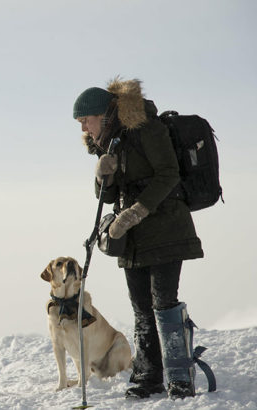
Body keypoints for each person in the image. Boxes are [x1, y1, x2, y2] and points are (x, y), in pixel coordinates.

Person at [72, 78, 204, 400]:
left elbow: (168, 174)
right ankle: (148, 377)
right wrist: (102, 175)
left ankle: (179, 377)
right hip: (133, 238)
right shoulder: (111, 142)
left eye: (86, 121)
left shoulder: (145, 128)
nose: (84, 129)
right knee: (142, 307)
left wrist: (136, 212)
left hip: (166, 229)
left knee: (163, 303)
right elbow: (110, 195)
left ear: (102, 115)